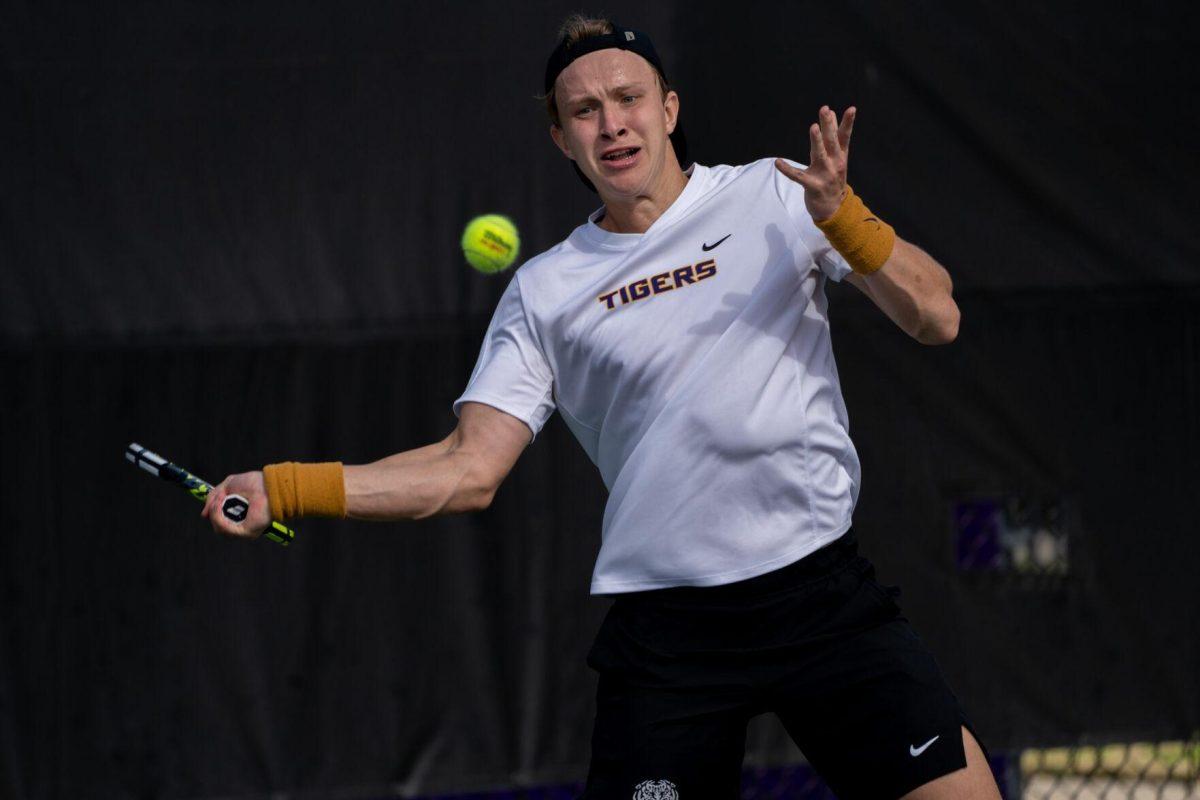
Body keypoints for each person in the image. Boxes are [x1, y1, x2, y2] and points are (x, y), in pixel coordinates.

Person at [203, 15, 1002, 800]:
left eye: (629, 98)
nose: (612, 124)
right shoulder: (544, 290)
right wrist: (288, 488)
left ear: (669, 110)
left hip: (821, 596)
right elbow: (466, 469)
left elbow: (938, 316)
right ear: (561, 138)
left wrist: (845, 219)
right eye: (585, 111)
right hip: (670, 634)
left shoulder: (778, 195)